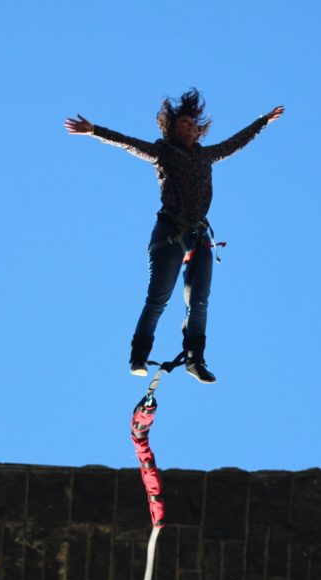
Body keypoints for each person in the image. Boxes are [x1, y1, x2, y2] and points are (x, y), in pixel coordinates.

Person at [65, 89, 284, 383]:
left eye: (194, 124)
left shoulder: (206, 155)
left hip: (199, 235)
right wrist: (94, 131)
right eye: (184, 123)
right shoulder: (163, 152)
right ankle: (138, 356)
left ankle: (195, 360)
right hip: (170, 232)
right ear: (172, 128)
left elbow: (236, 143)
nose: (191, 127)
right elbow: (129, 144)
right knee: (158, 299)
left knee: (199, 302)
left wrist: (263, 121)